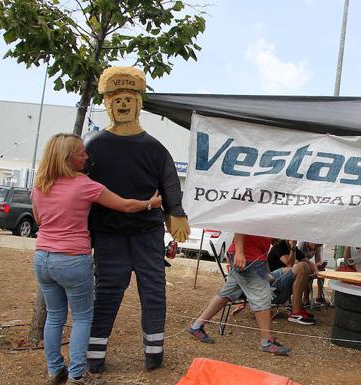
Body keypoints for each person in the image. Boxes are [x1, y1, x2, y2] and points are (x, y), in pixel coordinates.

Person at [32, 133, 162, 385]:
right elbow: (124, 205)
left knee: (55, 316)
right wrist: (151, 203)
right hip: (72, 259)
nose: (87, 156)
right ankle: (78, 374)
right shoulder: (84, 185)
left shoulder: (40, 184)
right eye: (82, 153)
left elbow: (39, 220)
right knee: (81, 318)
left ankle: (54, 370)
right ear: (69, 158)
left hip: (42, 258)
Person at [85, 67, 190, 372]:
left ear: (139, 102)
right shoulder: (94, 145)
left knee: (153, 291)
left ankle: (154, 353)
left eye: (129, 97)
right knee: (106, 292)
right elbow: (81, 187)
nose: (122, 103)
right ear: (107, 103)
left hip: (147, 234)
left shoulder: (155, 148)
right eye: (116, 98)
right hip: (108, 235)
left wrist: (176, 213)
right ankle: (95, 354)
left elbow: (170, 181)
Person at [188, 233, 292, 355]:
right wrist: (240, 252)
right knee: (262, 297)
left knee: (227, 293)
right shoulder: (255, 213)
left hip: (251, 256)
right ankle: (267, 342)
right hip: (248, 256)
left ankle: (196, 326)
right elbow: (241, 224)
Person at [267, 239, 315, 324]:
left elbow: (310, 264)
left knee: (305, 267)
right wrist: (292, 247)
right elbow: (290, 264)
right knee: (302, 267)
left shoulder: (295, 249)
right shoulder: (278, 246)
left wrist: (318, 271)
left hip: (280, 279)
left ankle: (298, 308)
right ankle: (295, 312)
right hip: (274, 286)